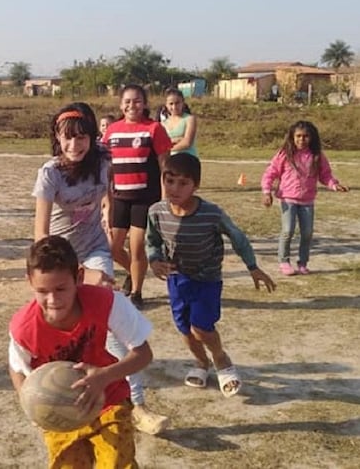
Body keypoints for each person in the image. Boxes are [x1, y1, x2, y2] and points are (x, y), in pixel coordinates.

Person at [33, 102, 169, 436]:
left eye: (81, 138)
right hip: (58, 257)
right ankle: (57, 396)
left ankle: (138, 406)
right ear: (56, 138)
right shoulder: (50, 173)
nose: (74, 145)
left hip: (95, 249)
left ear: (93, 138)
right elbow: (40, 234)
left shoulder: (103, 163)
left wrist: (107, 213)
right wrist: (73, 271)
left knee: (111, 326)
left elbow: (107, 196)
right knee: (60, 327)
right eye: (67, 138)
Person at [8, 236, 154, 467]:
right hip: (59, 411)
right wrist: (31, 402)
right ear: (29, 282)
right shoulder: (24, 328)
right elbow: (17, 369)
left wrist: (104, 376)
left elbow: (143, 353)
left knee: (117, 463)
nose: (53, 299)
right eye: (42, 291)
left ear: (79, 277)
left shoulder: (107, 302)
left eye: (61, 288)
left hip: (108, 398)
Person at [146, 153, 276, 397]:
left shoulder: (211, 214)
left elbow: (237, 237)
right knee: (184, 328)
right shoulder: (156, 212)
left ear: (196, 185)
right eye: (169, 181)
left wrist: (252, 266)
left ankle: (221, 360)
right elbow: (152, 240)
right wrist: (154, 260)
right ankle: (201, 363)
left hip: (206, 279)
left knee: (202, 326)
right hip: (177, 278)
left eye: (183, 183)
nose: (175, 188)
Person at [103, 84, 173, 309]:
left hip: (144, 197)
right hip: (119, 197)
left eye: (137, 101)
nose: (132, 105)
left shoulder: (154, 129)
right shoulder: (112, 130)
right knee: (113, 248)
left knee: (136, 248)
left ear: (144, 104)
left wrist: (165, 198)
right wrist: (105, 199)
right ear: (120, 104)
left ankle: (136, 292)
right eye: (127, 101)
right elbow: (105, 167)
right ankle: (133, 272)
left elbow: (165, 167)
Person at [261, 120, 349, 276]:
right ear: (292, 137)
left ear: (312, 137)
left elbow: (325, 175)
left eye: (306, 136)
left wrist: (334, 185)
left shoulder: (317, 156)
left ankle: (302, 263)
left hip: (307, 201)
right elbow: (270, 173)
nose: (302, 140)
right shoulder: (285, 154)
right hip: (288, 199)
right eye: (298, 136)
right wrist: (266, 192)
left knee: (307, 233)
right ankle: (284, 261)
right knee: (287, 230)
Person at [161, 88, 198, 157]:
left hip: (188, 159)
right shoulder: (163, 124)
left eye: (177, 103)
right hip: (169, 162)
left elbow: (187, 143)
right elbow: (160, 144)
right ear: (166, 105)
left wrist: (168, 148)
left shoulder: (190, 119)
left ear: (183, 103)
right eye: (171, 104)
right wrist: (177, 139)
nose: (174, 107)